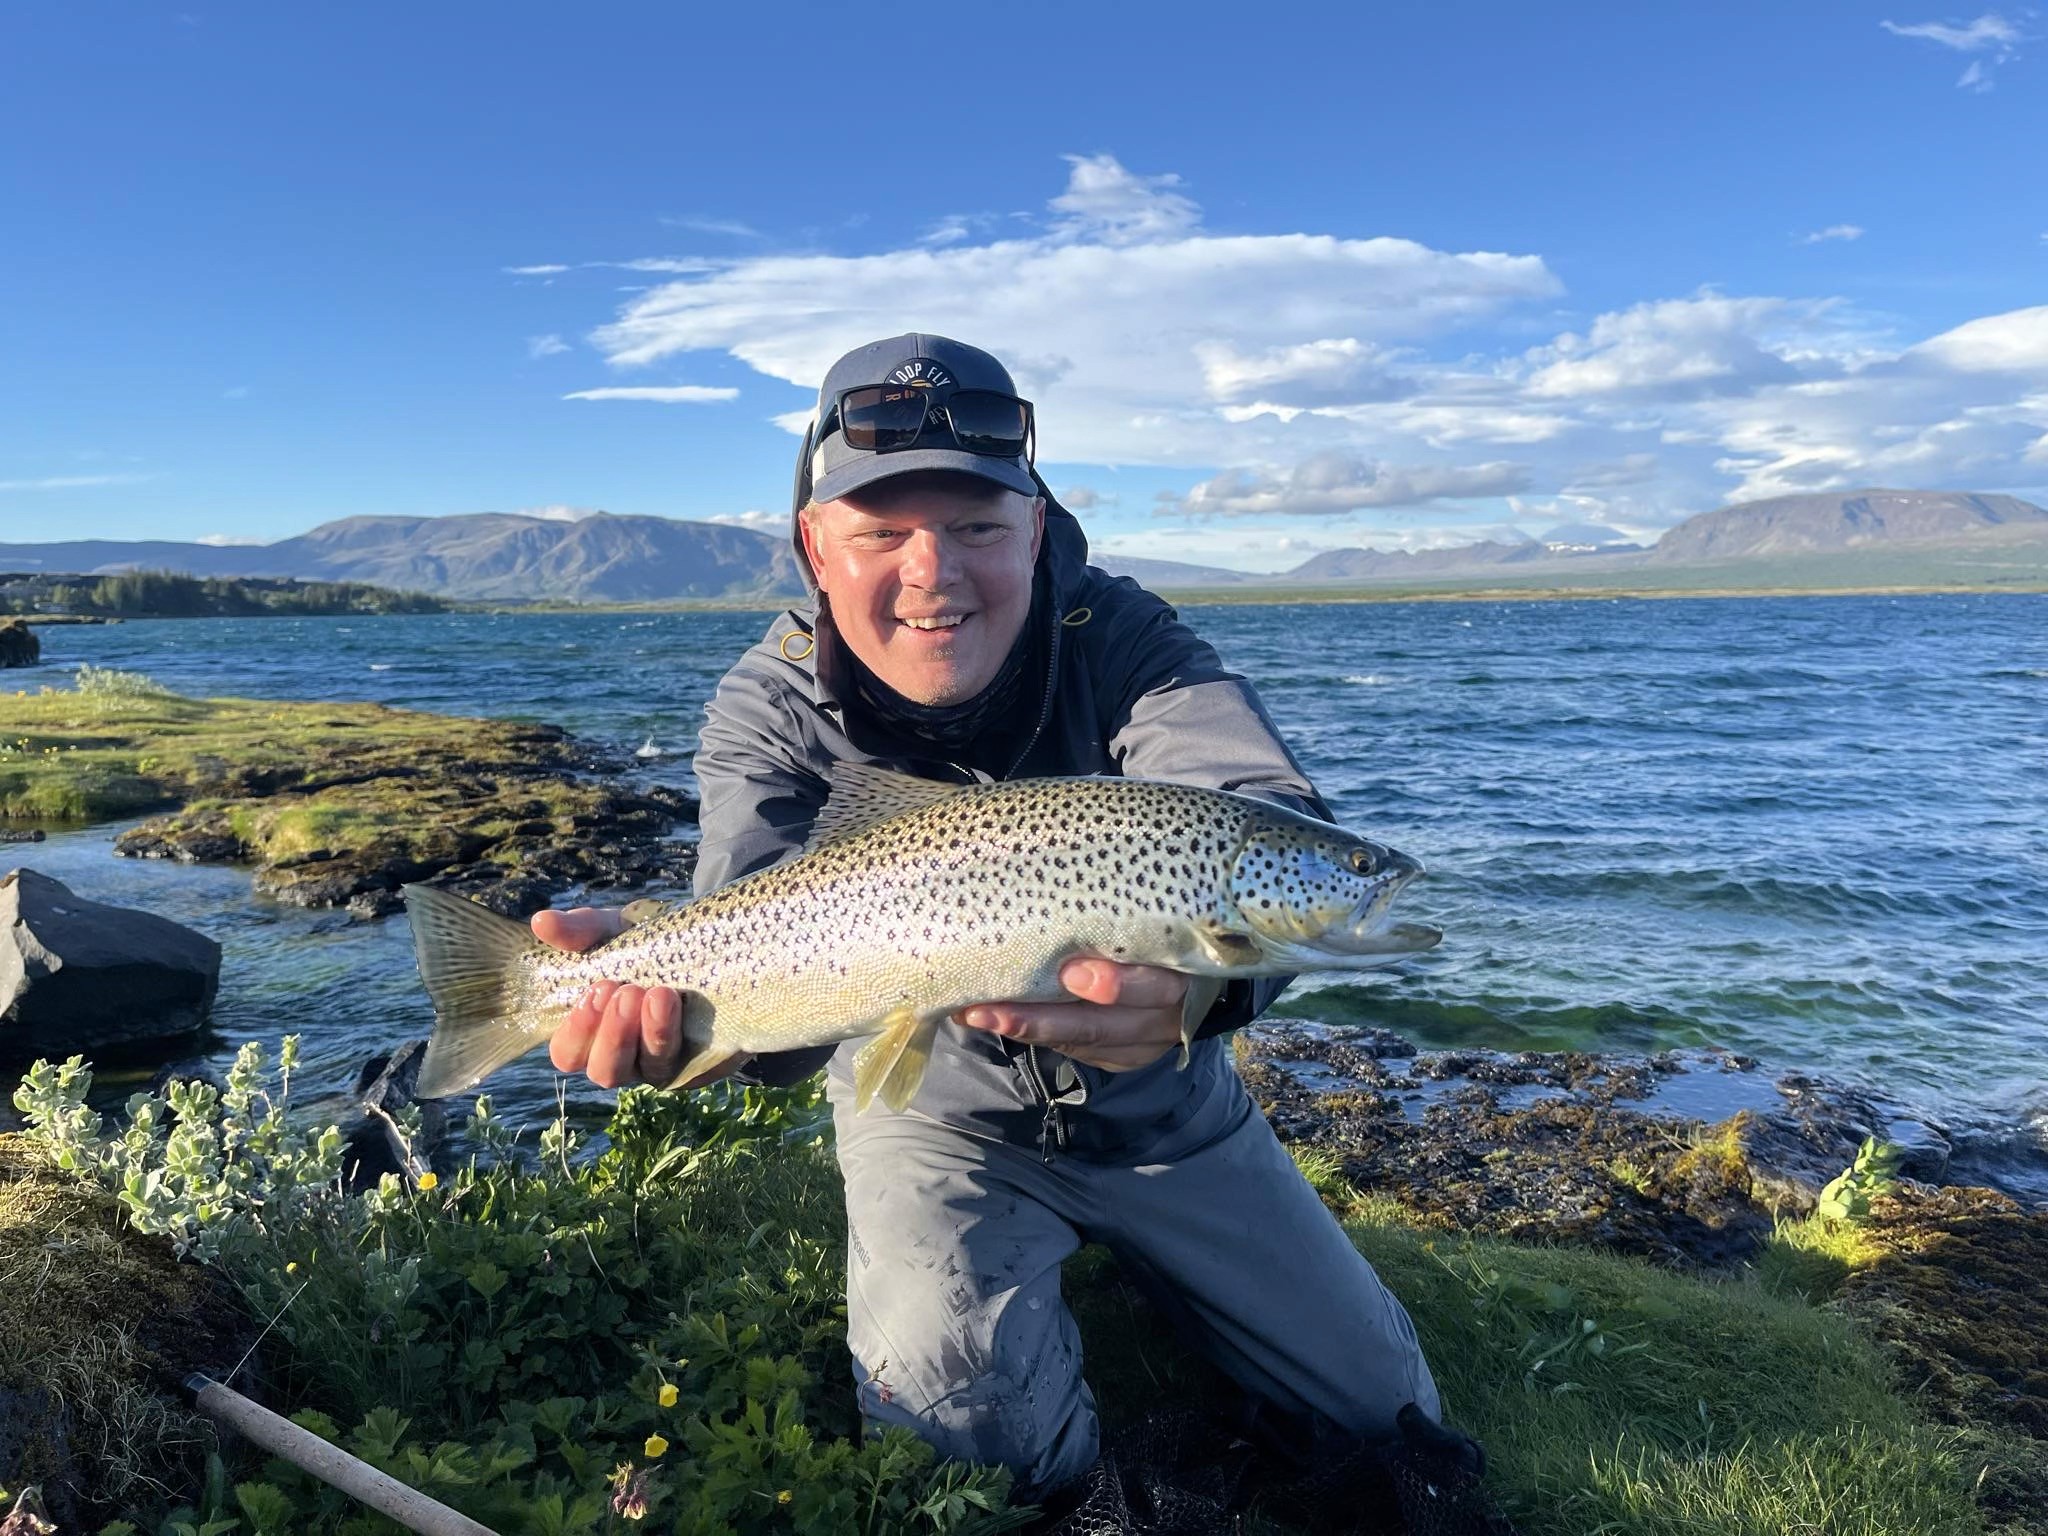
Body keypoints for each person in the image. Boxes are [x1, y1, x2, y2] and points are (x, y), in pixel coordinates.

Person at [534, 334, 1442, 1500]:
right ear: (815, 544)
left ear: (1034, 525)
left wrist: (1217, 988)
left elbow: (1254, 804)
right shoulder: (767, 704)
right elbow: (745, 935)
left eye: (973, 528)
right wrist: (681, 1023)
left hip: (1165, 1109)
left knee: (1389, 1417)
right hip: (931, 1122)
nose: (931, 573)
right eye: (879, 533)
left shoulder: (1127, 642)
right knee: (964, 1460)